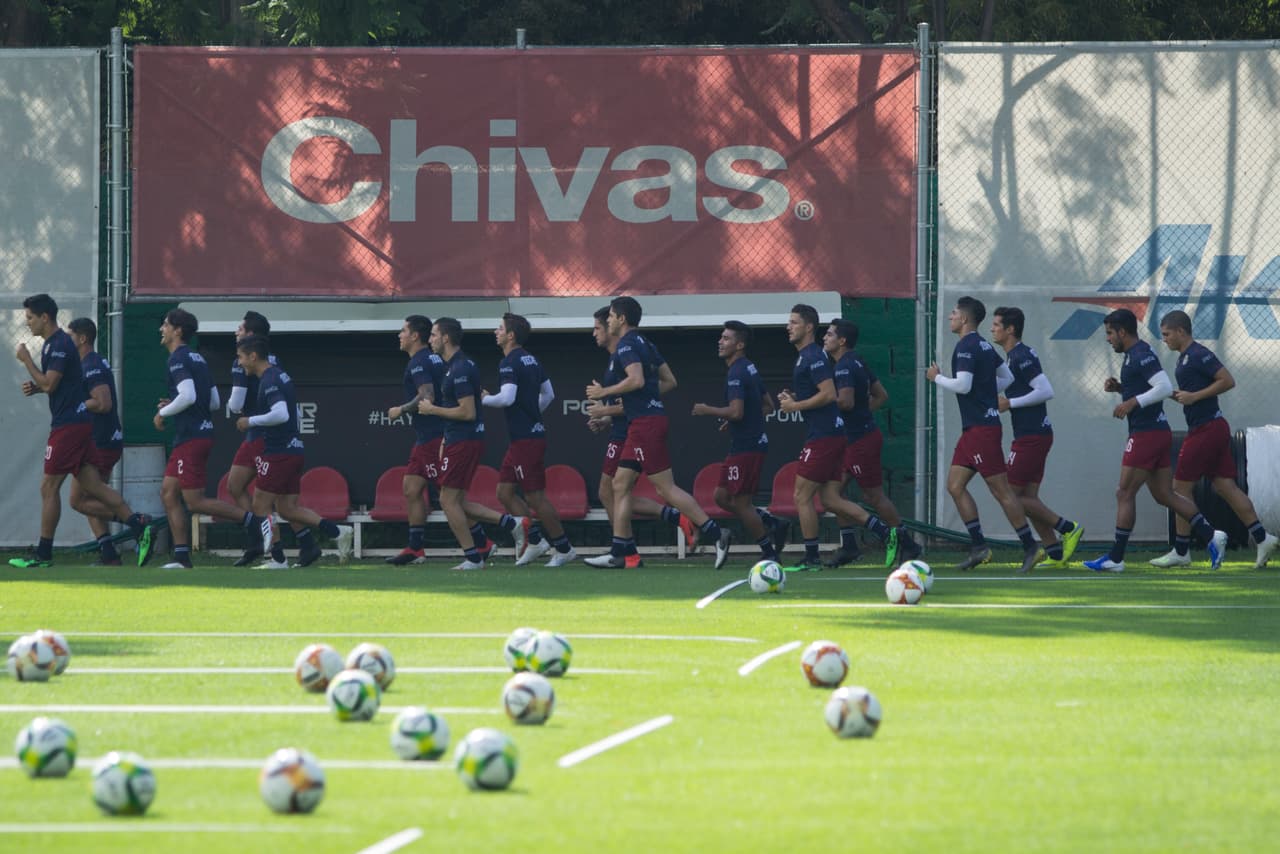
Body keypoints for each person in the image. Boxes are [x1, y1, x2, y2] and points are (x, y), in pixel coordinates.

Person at [584, 297, 732, 569]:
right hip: (644, 421)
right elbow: (668, 381)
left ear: (621, 319)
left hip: (645, 425)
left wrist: (604, 394)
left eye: (611, 317)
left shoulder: (627, 344)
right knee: (619, 485)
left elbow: (637, 379)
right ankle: (622, 553)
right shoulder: (645, 343)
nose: (608, 322)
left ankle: (714, 533)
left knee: (665, 488)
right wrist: (639, 401)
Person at [11, 293, 152, 568]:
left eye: (29, 317)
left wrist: (27, 360)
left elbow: (53, 385)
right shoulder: (57, 345)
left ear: (44, 317)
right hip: (77, 425)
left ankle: (43, 554)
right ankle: (138, 525)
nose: (27, 323)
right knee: (92, 487)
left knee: (48, 486)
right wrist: (38, 386)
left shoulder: (60, 344)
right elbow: (59, 385)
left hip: (68, 427)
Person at [1083, 308, 1225, 573]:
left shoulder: (1141, 354)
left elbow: (1162, 387)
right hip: (1155, 433)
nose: (1108, 339)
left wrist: (1132, 401)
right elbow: (1148, 387)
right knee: (1164, 494)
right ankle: (1211, 535)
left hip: (1147, 434)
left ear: (1122, 332)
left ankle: (1116, 557)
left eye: (1110, 333)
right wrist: (1122, 389)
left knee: (1124, 492)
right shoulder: (1131, 356)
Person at [778, 305, 905, 571]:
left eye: (794, 322)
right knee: (831, 499)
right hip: (835, 435)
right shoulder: (810, 357)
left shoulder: (814, 356)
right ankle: (884, 532)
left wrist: (795, 406)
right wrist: (797, 400)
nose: (788, 326)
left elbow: (828, 394)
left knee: (802, 495)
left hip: (826, 437)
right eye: (788, 322)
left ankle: (811, 558)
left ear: (809, 327)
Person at [1155, 309, 1277, 569]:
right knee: (1225, 487)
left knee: (1179, 488)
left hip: (1206, 429)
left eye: (1166, 334)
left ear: (1180, 331)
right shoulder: (1184, 359)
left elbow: (1227, 380)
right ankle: (1262, 537)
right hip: (1212, 428)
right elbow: (1188, 394)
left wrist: (1196, 397)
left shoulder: (1199, 354)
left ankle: (1182, 549)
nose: (1164, 339)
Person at [927, 296, 1040, 574]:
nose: (950, 317)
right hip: (974, 430)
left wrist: (936, 378)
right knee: (955, 485)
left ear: (964, 319)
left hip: (982, 430)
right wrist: (987, 391)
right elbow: (1008, 379)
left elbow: (964, 386)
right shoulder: (985, 346)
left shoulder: (966, 346)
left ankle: (1030, 547)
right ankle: (979, 547)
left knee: (1001, 491)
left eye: (953, 313)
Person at [154, 308, 271, 570]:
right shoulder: (199, 358)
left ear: (178, 331)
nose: (161, 329)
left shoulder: (177, 358)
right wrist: (176, 403)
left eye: (165, 324)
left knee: (194, 501)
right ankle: (182, 557)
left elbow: (189, 397)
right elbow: (214, 402)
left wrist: (163, 412)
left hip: (191, 438)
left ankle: (254, 521)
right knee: (169, 492)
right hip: (195, 435)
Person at [234, 335, 352, 567]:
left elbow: (282, 414)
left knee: (260, 503)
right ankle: (338, 532)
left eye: (240, 358)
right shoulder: (279, 375)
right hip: (293, 450)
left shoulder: (270, 380)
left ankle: (278, 559)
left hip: (279, 452)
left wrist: (251, 421)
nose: (239, 363)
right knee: (287, 508)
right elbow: (293, 414)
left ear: (253, 356)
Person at [417, 318, 524, 570]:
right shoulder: (452, 367)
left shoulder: (462, 368)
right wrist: (445, 437)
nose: (429, 340)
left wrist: (432, 409)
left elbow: (467, 412)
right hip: (457, 440)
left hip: (464, 441)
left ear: (445, 338)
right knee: (457, 501)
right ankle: (512, 524)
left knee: (447, 501)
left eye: (433, 335)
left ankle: (473, 557)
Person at [822, 318, 921, 568]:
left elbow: (845, 402)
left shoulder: (844, 366)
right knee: (833, 494)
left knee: (874, 496)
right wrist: (862, 416)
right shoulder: (857, 360)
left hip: (860, 442)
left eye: (830, 334)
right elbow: (881, 396)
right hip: (854, 438)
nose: (825, 337)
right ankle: (850, 547)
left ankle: (907, 543)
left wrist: (819, 401)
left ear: (842, 341)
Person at [990, 306, 1085, 569]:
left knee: (1011, 494)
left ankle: (1068, 528)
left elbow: (1045, 390)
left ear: (1010, 329)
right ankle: (1053, 552)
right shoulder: (1012, 357)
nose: (992, 328)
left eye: (997, 324)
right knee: (1028, 498)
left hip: (1032, 436)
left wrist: (1010, 403)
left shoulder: (1021, 355)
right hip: (1032, 434)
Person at [482, 313, 578, 567]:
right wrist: (532, 413)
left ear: (511, 335)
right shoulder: (531, 359)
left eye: (499, 328)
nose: (496, 331)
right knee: (504, 492)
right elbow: (549, 394)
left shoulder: (509, 362)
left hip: (527, 440)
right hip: (523, 439)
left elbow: (506, 398)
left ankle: (564, 548)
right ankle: (535, 541)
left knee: (535, 498)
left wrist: (484, 399)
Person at [691, 321, 788, 563]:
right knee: (721, 496)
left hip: (747, 446)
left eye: (726, 338)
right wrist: (736, 421)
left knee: (742, 503)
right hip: (746, 443)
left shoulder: (737, 371)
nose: (720, 342)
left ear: (740, 344)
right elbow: (768, 406)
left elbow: (736, 412)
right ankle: (770, 521)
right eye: (721, 337)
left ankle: (769, 553)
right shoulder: (749, 368)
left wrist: (707, 410)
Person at [385, 315, 446, 566]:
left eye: (403, 331)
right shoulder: (432, 358)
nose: (399, 335)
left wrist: (401, 409)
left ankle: (488, 540)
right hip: (426, 438)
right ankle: (416, 548)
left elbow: (427, 396)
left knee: (449, 497)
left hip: (434, 437)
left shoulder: (419, 362)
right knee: (411, 488)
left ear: (415, 336)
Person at [66, 317, 126, 566]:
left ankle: (137, 521)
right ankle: (109, 552)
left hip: (100, 442)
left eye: (70, 336)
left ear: (82, 339)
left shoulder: (91, 364)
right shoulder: (85, 363)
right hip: (99, 441)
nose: (66, 341)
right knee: (89, 500)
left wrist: (76, 405)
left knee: (78, 500)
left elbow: (103, 403)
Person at [224, 310, 278, 565]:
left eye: (241, 329)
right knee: (235, 485)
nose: (236, 332)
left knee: (270, 499)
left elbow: (235, 404)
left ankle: (276, 552)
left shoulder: (242, 362)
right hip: (263, 434)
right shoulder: (274, 360)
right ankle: (256, 539)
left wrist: (238, 412)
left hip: (261, 433)